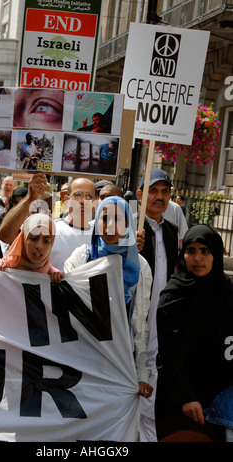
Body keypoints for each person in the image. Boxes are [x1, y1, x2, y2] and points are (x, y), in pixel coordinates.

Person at [64, 196, 153, 397]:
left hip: (120, 361)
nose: (110, 225)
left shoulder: (140, 266)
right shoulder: (81, 257)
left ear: (128, 223)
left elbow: (139, 322)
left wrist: (141, 373)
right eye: (105, 218)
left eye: (118, 219)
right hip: (83, 357)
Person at [155, 224, 233, 442]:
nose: (198, 258)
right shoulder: (172, 298)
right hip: (184, 404)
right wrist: (186, 397)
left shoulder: (227, 292)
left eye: (205, 251)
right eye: (191, 251)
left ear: (216, 254)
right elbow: (168, 357)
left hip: (222, 402)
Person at [135, 168, 179, 442]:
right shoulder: (129, 230)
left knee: (151, 380)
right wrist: (129, 246)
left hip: (162, 320)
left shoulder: (173, 231)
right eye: (153, 191)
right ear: (140, 195)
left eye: (164, 192)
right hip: (135, 319)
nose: (159, 197)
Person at [0, 176, 96, 272]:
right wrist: (29, 199)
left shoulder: (101, 237)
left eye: (89, 196)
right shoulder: (49, 229)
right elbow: (5, 236)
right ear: (66, 199)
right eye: (78, 195)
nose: (83, 201)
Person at [0, 213, 64, 283]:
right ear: (24, 239)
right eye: (33, 238)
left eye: (46, 241)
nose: (39, 246)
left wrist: (57, 281)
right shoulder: (4, 267)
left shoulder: (54, 276)